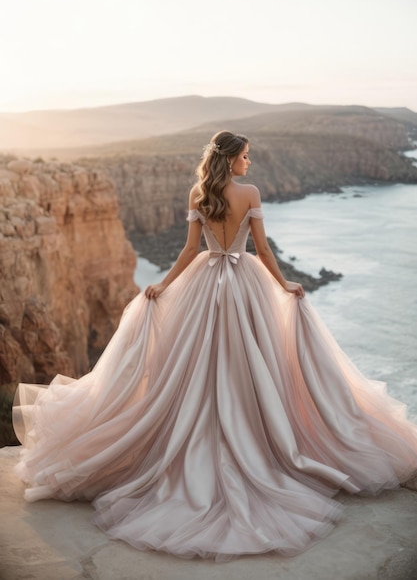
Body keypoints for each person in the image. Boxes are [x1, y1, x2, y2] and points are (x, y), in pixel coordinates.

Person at [13, 130, 417, 562]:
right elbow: (260, 249)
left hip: (203, 284)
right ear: (231, 158)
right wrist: (285, 286)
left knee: (197, 364)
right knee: (253, 363)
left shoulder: (198, 193)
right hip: (246, 285)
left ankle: (203, 433)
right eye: (246, 156)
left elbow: (190, 250)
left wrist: (165, 286)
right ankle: (253, 434)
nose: (250, 162)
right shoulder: (250, 193)